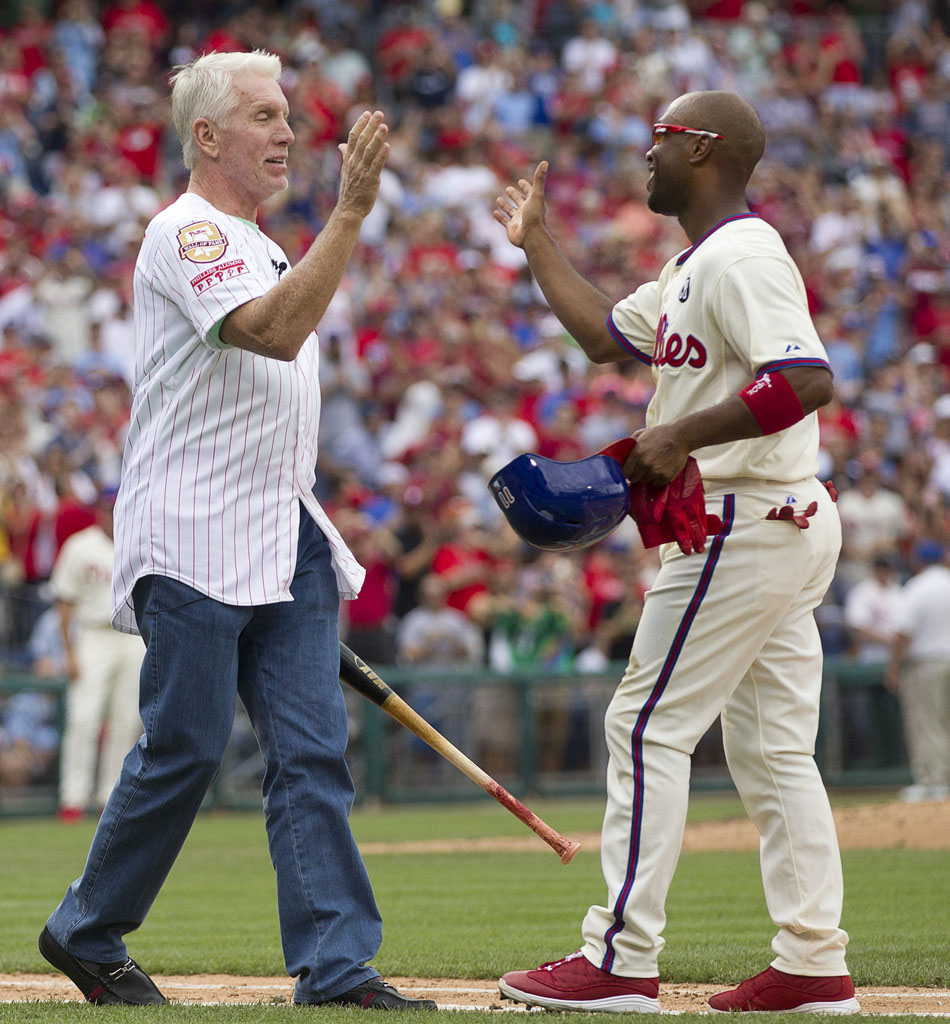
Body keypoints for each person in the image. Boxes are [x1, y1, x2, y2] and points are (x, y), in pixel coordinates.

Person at [38, 50, 435, 1011]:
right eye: (264, 117)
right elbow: (270, 334)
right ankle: (85, 931)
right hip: (195, 534)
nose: (288, 135)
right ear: (207, 136)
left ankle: (338, 968)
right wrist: (349, 215)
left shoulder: (262, 243)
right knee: (186, 746)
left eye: (287, 115)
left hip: (283, 531)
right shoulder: (186, 232)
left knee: (311, 753)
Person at [492, 90, 859, 1014]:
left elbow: (806, 376)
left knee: (645, 724)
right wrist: (537, 240)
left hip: (744, 516)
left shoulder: (743, 254)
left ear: (701, 149)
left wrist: (683, 435)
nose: (643, 159)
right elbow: (599, 336)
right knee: (774, 750)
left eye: (657, 142)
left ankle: (618, 957)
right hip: (775, 519)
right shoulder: (695, 264)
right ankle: (814, 960)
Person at [48, 485, 143, 822]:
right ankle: (72, 797)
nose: (110, 513)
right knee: (83, 718)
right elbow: (64, 600)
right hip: (92, 634)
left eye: (115, 507)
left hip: (133, 636)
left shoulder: (141, 540)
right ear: (98, 511)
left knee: (126, 721)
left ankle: (109, 798)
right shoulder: (81, 545)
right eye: (105, 508)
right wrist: (69, 651)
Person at [886, 540, 950, 803]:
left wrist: (893, 667)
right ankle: (942, 779)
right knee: (943, 722)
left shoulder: (917, 587)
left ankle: (932, 781)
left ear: (919, 561)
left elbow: (904, 631)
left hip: (926, 663)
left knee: (925, 722)